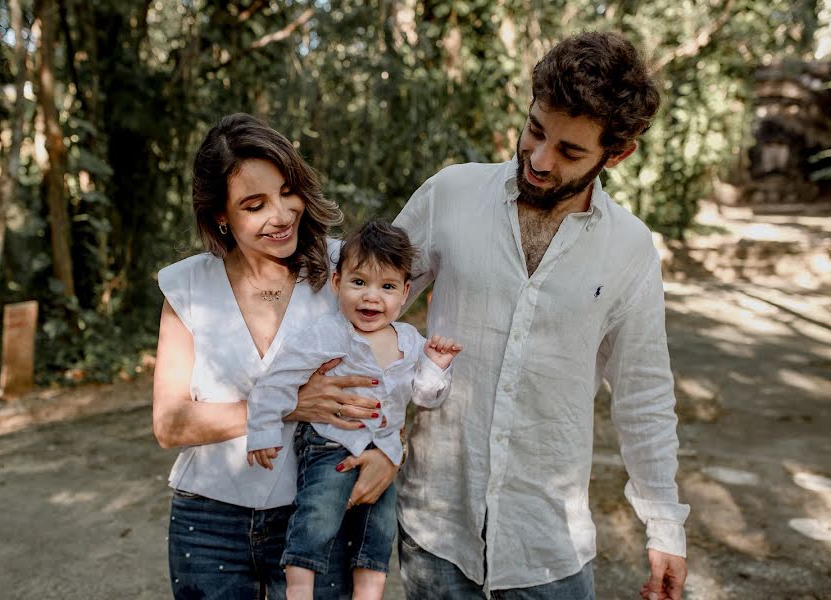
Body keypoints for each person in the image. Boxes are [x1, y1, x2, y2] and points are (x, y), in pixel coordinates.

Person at [392, 31, 690, 600]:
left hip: (547, 546)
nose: (539, 158)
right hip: (436, 527)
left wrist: (665, 526)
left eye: (570, 151)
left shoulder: (629, 247)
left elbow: (643, 393)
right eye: (534, 129)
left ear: (617, 154)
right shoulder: (450, 194)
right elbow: (366, 319)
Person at [152, 113, 399, 600]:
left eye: (288, 191)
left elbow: (395, 371)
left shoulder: (343, 272)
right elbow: (170, 423)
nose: (282, 214)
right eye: (254, 204)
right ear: (221, 216)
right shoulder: (188, 286)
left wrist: (393, 452)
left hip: (317, 510)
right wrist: (290, 402)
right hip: (208, 519)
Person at [246, 219, 462, 600]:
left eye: (388, 287)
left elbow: (426, 397)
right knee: (317, 518)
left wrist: (436, 367)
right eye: (359, 282)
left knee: (377, 535)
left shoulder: (410, 341)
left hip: (384, 452)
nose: (371, 297)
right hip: (331, 444)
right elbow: (276, 381)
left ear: (405, 292)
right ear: (336, 283)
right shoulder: (327, 334)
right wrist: (262, 432)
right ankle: (299, 589)